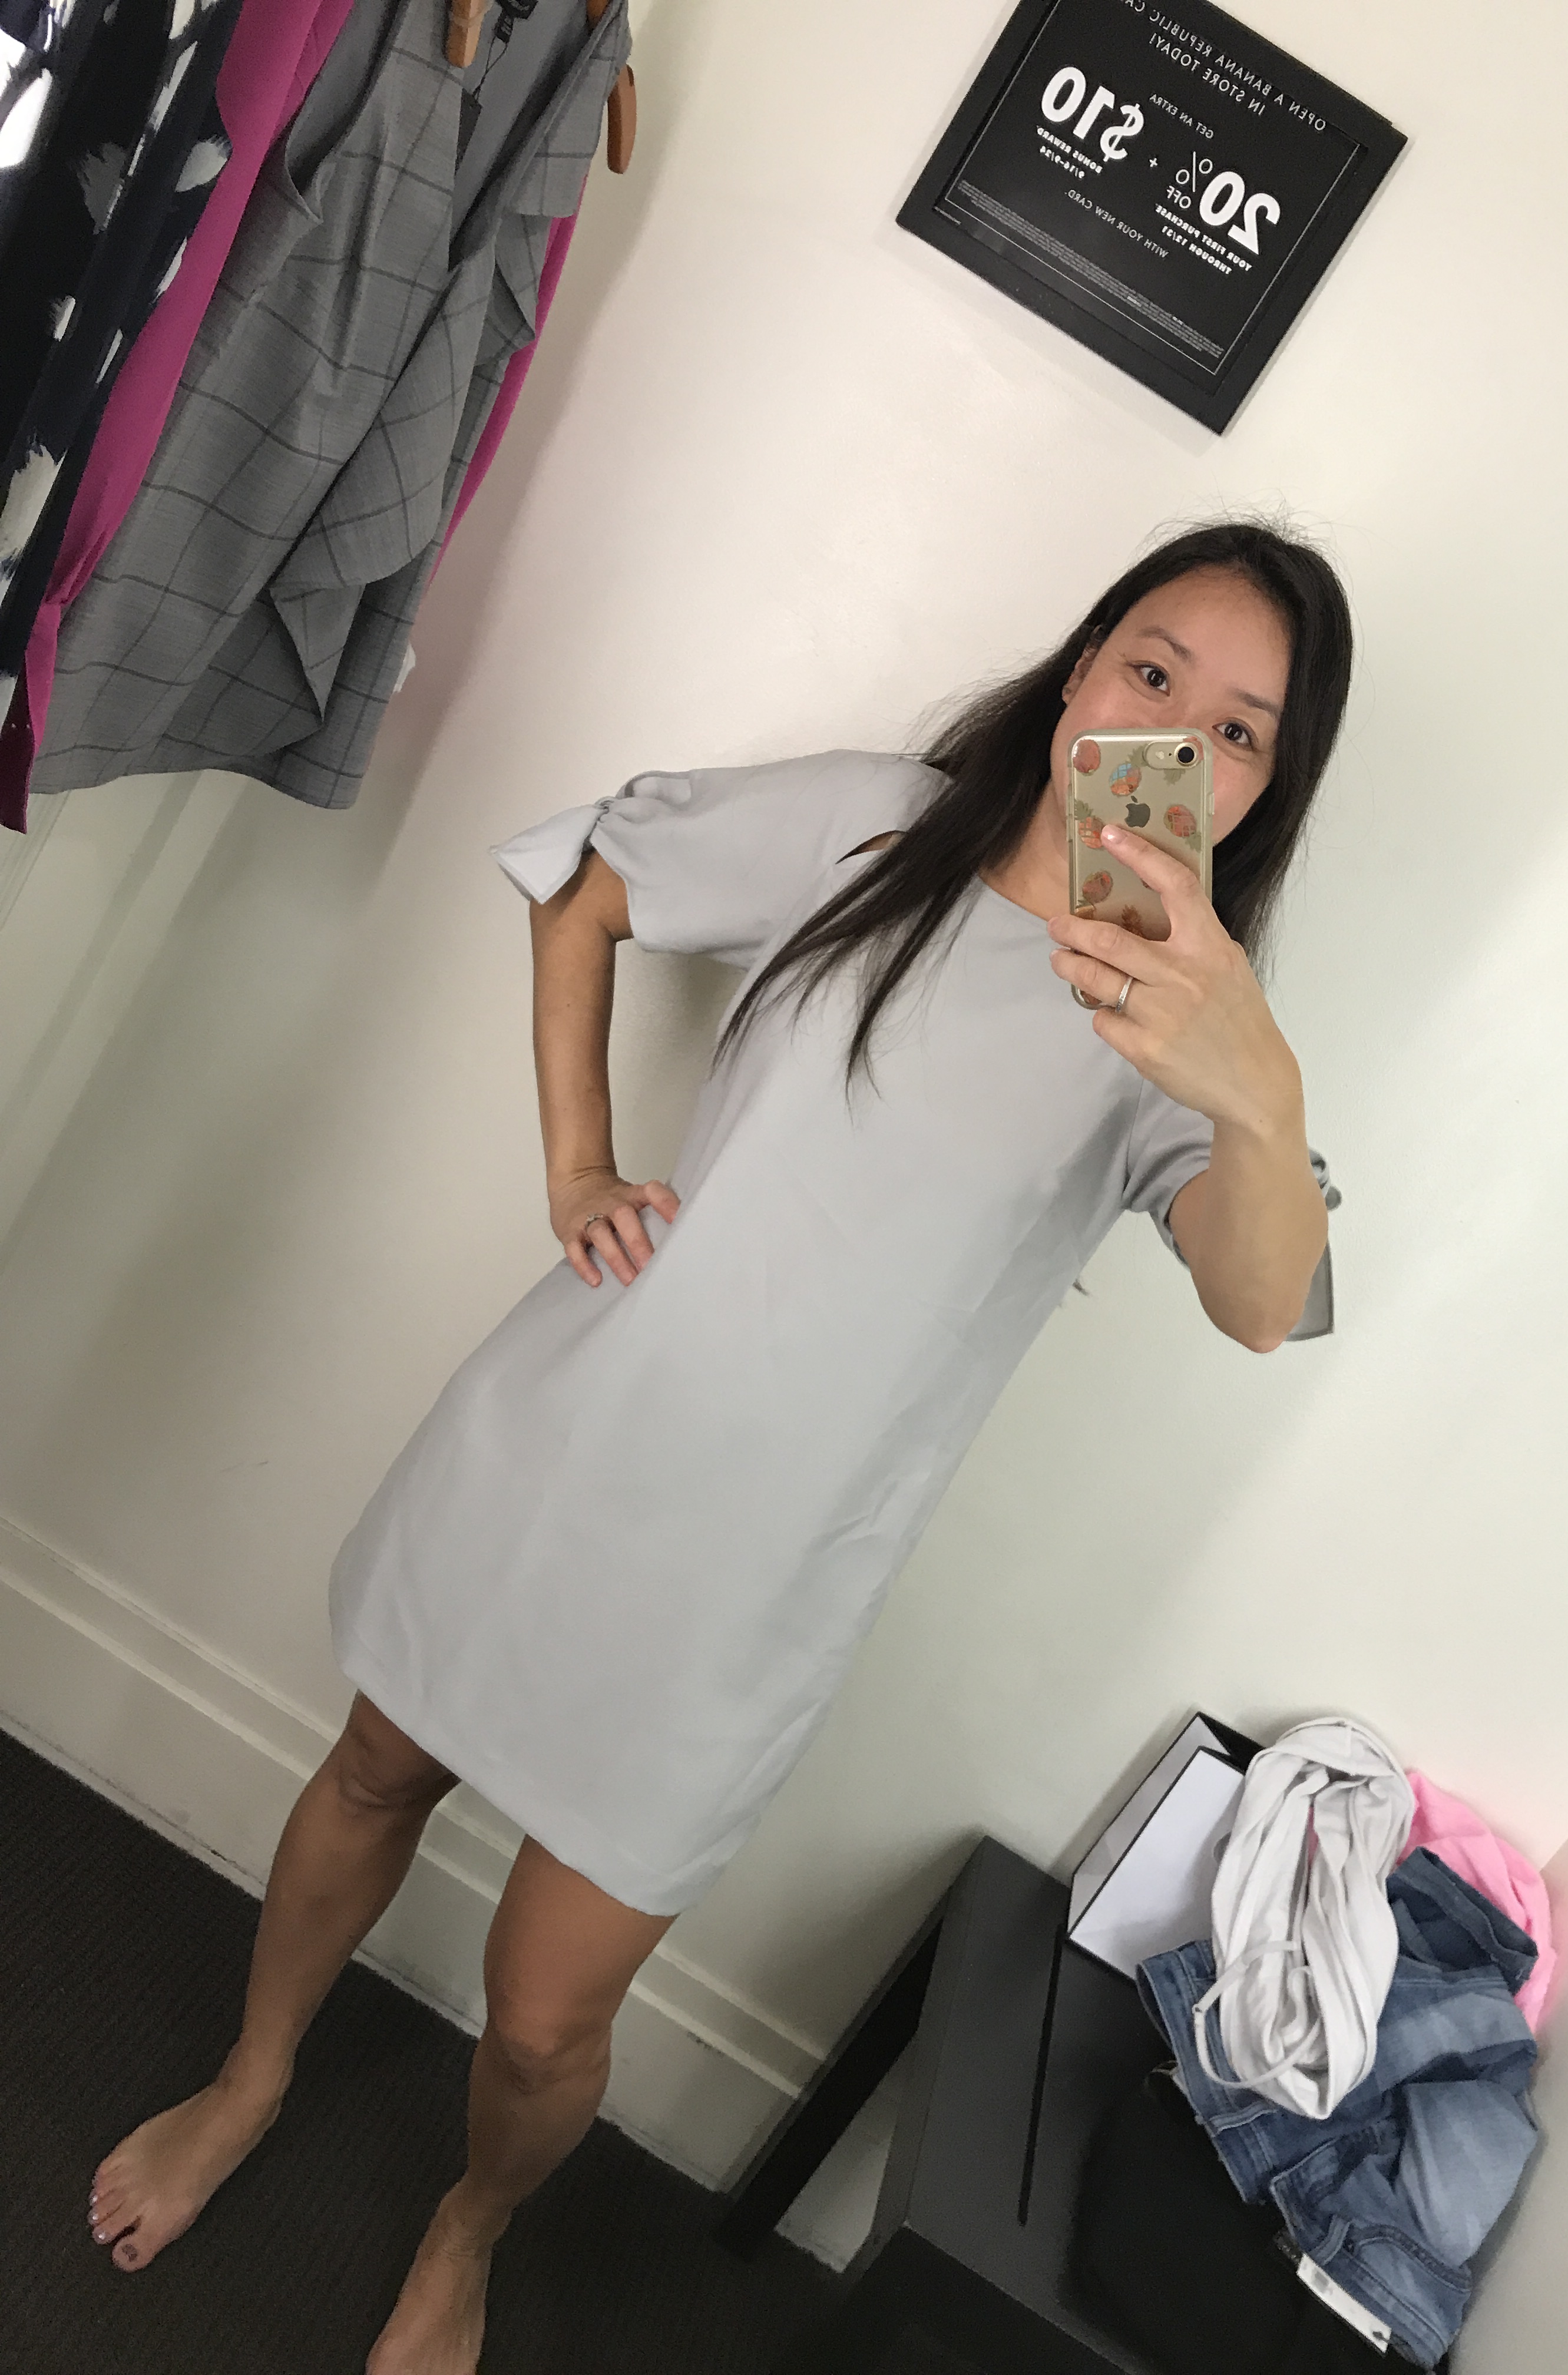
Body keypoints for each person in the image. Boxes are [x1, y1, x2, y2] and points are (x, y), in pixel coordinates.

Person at [84, 520, 1352, 2373]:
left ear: (1259, 791)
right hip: (563, 1445)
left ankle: (468, 2226)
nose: (1174, 735)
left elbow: (1259, 1298)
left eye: (1238, 731)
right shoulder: (873, 829)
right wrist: (578, 1166)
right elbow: (585, 880)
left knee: (543, 2021)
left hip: (751, 1589)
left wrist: (1260, 1086)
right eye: (1154, 671)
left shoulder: (1182, 1042)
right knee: (370, 1771)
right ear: (1085, 665)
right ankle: (250, 2074)